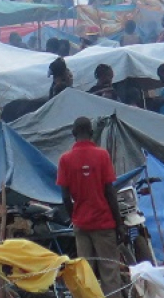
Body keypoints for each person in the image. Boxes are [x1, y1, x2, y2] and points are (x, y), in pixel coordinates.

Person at [57, 117, 125, 298]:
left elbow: (65, 197)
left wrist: (75, 217)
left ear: (73, 133)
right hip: (104, 223)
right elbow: (110, 192)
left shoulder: (65, 159)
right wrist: (119, 224)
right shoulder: (102, 155)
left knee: (85, 272)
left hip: (82, 224)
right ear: (92, 133)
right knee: (109, 270)